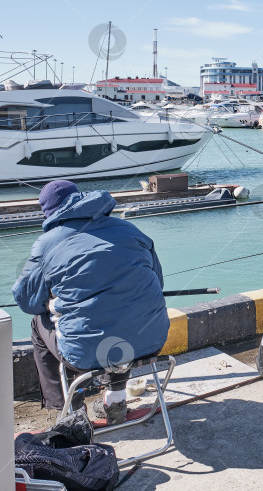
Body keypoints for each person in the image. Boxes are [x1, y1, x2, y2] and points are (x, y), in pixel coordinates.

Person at [13, 180, 168, 425]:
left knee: (38, 324)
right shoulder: (130, 229)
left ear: (49, 212)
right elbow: (157, 283)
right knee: (123, 316)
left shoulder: (47, 244)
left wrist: (52, 303)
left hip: (85, 355)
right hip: (152, 342)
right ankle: (115, 403)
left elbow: (26, 301)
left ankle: (71, 413)